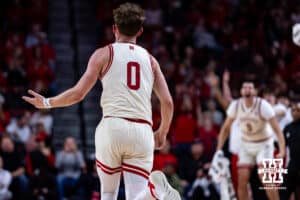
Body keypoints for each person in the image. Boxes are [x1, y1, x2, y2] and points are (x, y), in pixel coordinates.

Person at [22, 2, 180, 200]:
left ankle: (152, 192)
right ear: (140, 31)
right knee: (136, 195)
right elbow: (168, 102)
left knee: (107, 193)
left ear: (114, 28)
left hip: (112, 126)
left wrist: (46, 102)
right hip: (142, 130)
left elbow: (78, 93)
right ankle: (152, 193)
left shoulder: (104, 54)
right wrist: (162, 132)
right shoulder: (151, 60)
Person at [215, 81, 286, 200]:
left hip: (264, 145)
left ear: (255, 91)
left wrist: (282, 149)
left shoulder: (263, 105)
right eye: (244, 87)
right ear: (241, 91)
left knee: (266, 177)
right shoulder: (236, 105)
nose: (247, 89)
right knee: (241, 180)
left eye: (250, 87)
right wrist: (218, 149)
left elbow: (277, 130)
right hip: (246, 145)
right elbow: (225, 129)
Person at [281, 102, 300, 200]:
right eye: (293, 110)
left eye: (298, 110)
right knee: (283, 192)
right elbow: (281, 145)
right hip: (292, 165)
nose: (295, 113)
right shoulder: (288, 128)